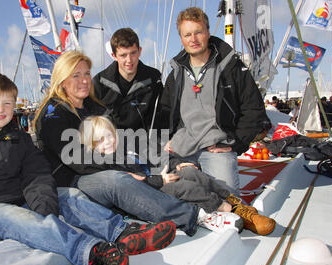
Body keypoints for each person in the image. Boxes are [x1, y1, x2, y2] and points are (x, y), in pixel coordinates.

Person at [0, 73, 177, 265]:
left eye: (7, 103)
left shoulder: (19, 139)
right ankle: (94, 253)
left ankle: (123, 233)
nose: (0, 109)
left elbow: (37, 175)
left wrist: (46, 208)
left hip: (22, 198)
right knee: (22, 219)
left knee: (72, 196)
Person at [34, 50, 239, 237]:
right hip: (74, 179)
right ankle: (194, 216)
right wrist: (127, 171)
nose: (84, 80)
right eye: (75, 75)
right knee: (119, 181)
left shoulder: (95, 107)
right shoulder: (53, 115)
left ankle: (228, 203)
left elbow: (128, 140)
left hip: (111, 166)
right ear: (62, 81)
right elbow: (77, 159)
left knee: (177, 171)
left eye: (87, 74)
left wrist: (172, 161)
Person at [78, 115, 276, 235]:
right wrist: (159, 179)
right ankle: (223, 208)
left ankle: (237, 204)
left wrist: (177, 163)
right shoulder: (106, 164)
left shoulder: (128, 150)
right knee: (184, 187)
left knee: (191, 173)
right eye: (100, 140)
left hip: (160, 176)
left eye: (110, 136)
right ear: (91, 145)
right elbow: (130, 184)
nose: (108, 142)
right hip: (151, 188)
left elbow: (157, 158)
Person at [159, 7, 271, 197]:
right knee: (169, 195)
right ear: (181, 39)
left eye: (198, 32)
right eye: (187, 34)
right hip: (182, 148)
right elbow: (165, 111)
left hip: (216, 148)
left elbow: (253, 108)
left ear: (208, 33)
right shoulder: (176, 73)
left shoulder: (231, 67)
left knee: (227, 198)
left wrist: (237, 142)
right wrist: (166, 142)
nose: (193, 39)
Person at [92, 28, 164, 131]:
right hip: (111, 144)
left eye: (133, 53)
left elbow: (162, 117)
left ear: (140, 51)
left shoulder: (154, 79)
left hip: (145, 144)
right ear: (114, 56)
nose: (129, 60)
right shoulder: (99, 83)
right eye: (123, 55)